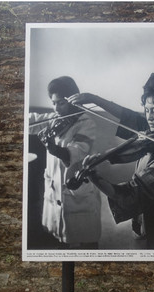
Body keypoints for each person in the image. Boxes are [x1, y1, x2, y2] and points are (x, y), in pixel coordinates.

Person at [69, 71, 154, 249]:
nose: (149, 117)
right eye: (147, 110)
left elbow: (130, 195)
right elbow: (129, 117)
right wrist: (94, 98)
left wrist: (96, 178)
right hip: (147, 219)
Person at [28, 76, 102, 248]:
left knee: (86, 238)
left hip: (77, 188)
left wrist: (55, 150)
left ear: (73, 101)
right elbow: (33, 120)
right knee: (59, 237)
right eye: (53, 103)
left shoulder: (86, 123)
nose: (56, 108)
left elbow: (78, 150)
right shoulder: (54, 118)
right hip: (55, 187)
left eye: (61, 103)